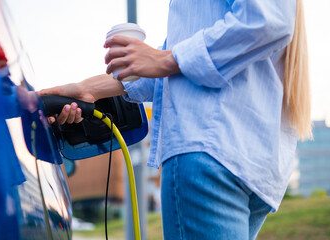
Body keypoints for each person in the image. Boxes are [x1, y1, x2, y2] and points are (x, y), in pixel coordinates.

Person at [41, 0, 311, 239]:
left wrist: (166, 59)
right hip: (248, 158)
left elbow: (268, 20)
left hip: (206, 150)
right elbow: (173, 70)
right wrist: (86, 89)